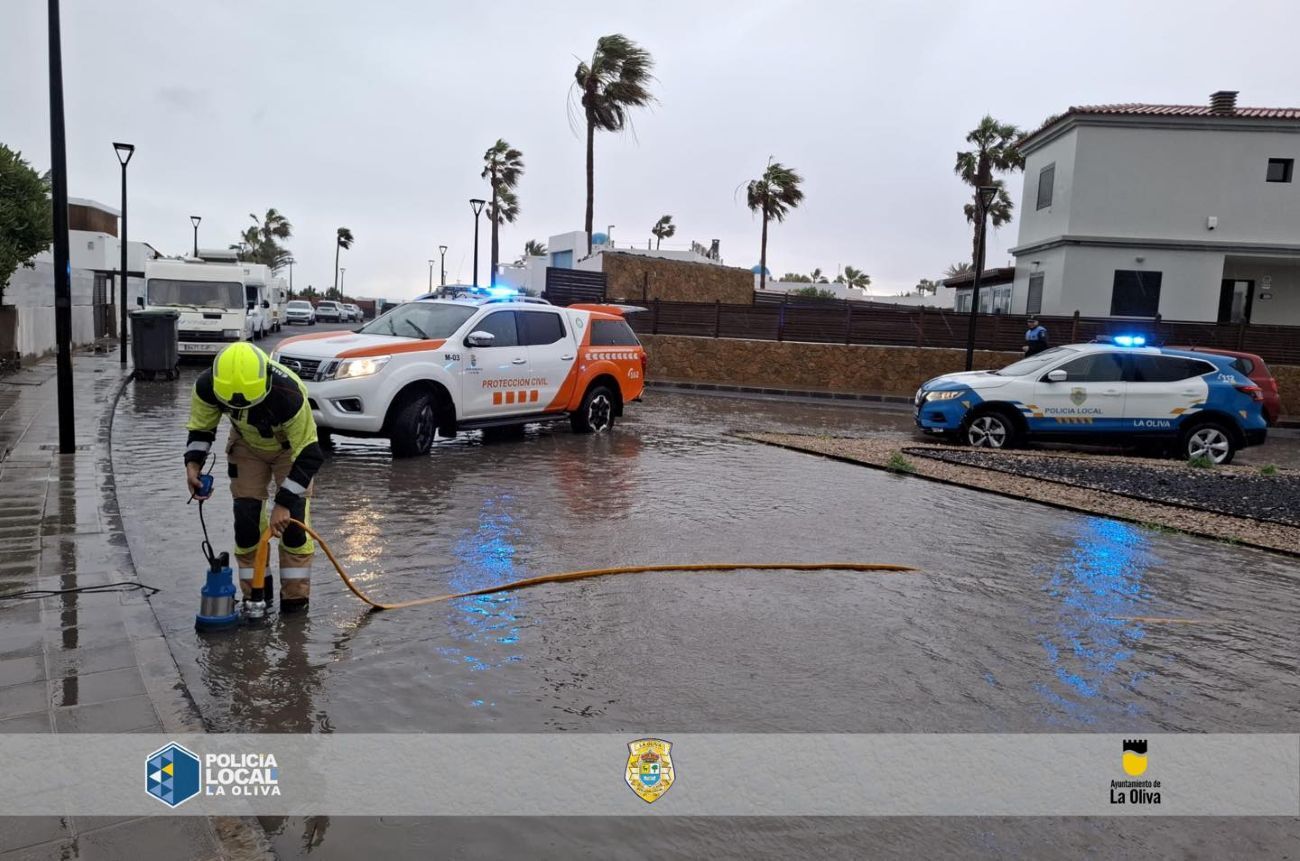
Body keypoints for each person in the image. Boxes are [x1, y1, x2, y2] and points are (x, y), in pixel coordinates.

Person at [184, 342, 324, 612]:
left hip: (290, 449)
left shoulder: (289, 394)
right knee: (247, 520)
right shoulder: (207, 386)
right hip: (247, 444)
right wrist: (192, 466)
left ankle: (295, 605)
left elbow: (310, 453)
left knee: (293, 525)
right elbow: (202, 429)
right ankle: (257, 598)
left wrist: (283, 502)